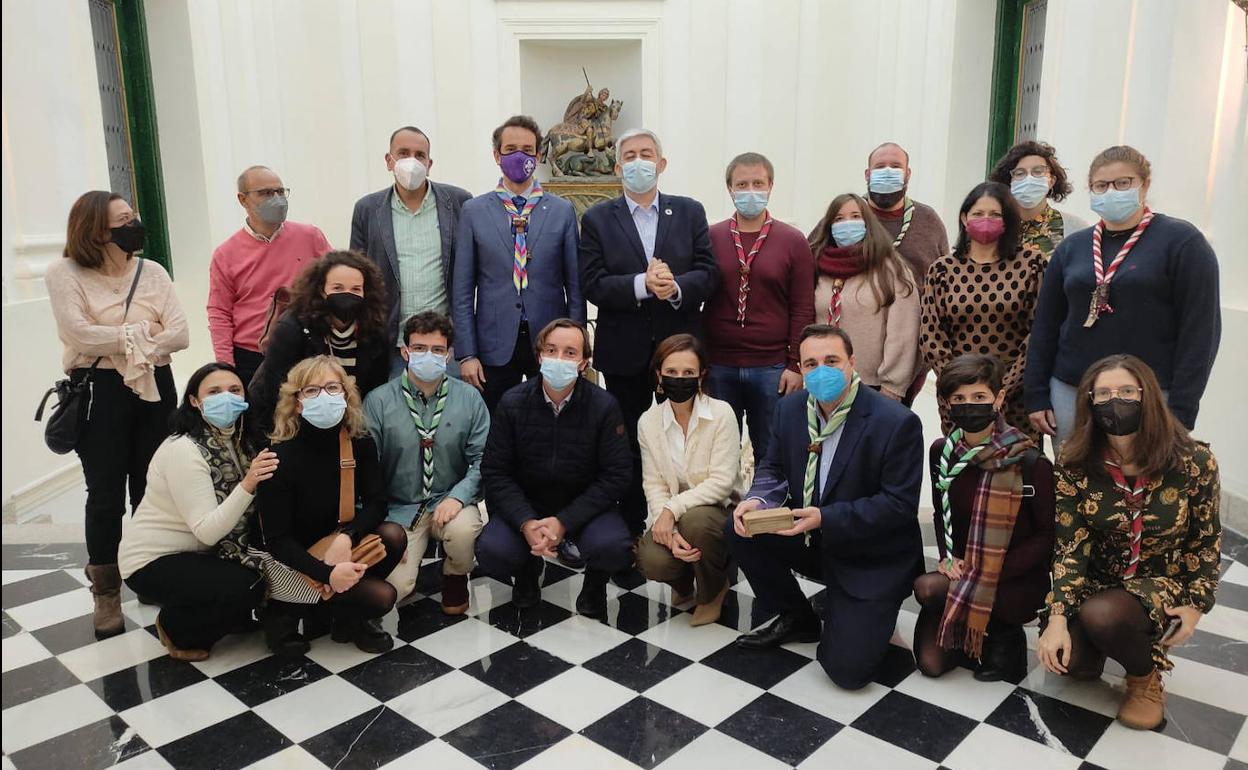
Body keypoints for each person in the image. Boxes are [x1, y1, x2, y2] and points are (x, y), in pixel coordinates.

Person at [727, 325, 924, 690]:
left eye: (831, 361)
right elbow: (773, 467)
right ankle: (798, 616)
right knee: (739, 528)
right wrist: (757, 500)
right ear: (800, 369)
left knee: (847, 673)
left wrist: (825, 517)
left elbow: (898, 506)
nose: (821, 372)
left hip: (871, 554)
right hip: (815, 539)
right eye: (811, 364)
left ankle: (864, 610)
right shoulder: (789, 410)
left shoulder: (896, 422)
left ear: (852, 362)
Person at [1036, 354, 1221, 730]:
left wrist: (1196, 604)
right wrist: (1057, 619)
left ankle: (1144, 678)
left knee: (1103, 616)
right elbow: (1070, 546)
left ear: (1147, 396)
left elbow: (1205, 541)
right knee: (1073, 666)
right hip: (1099, 580)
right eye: (1101, 394)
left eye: (1125, 391)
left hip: (1160, 579)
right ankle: (1115, 637)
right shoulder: (1074, 462)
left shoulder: (1193, 461)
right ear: (1088, 401)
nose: (1113, 401)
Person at [46, 191, 189, 638]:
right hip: (99, 390)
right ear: (97, 231)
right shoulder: (64, 273)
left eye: (135, 217)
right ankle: (106, 590)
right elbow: (79, 334)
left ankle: (148, 569)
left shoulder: (153, 272)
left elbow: (181, 334)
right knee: (105, 491)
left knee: (152, 484)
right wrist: (145, 333)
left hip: (155, 385)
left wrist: (123, 340)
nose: (135, 225)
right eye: (125, 220)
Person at [1025, 145, 1221, 449]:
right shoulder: (1072, 248)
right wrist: (1036, 393)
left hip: (1150, 394)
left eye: (1123, 183)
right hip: (1072, 389)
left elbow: (1200, 332)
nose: (1111, 192)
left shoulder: (1183, 243)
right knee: (1076, 485)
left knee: (1143, 485)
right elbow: (1046, 325)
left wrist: (1182, 409)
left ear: (1145, 185)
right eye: (1101, 186)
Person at [580, 127, 719, 537]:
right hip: (625, 355)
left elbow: (709, 273)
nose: (639, 161)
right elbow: (592, 282)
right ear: (618, 165)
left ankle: (690, 524)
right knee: (630, 445)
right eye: (630, 155)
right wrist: (642, 284)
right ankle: (630, 528)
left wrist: (674, 286)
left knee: (688, 440)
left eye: (647, 154)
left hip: (681, 354)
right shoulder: (597, 218)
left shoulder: (689, 211)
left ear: (661, 164)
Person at [119, 363, 277, 660]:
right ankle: (176, 628)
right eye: (214, 392)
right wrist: (249, 483)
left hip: (201, 552)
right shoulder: (184, 450)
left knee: (257, 575)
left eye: (234, 390)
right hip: (152, 561)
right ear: (194, 400)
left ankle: (222, 611)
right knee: (248, 585)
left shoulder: (241, 438)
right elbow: (207, 530)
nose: (226, 398)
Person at [477, 319, 633, 618]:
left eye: (570, 352)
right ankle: (526, 570)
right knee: (493, 551)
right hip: (528, 505)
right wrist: (525, 522)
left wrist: (564, 521)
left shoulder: (604, 406)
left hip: (584, 506)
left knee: (613, 547)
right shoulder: (512, 403)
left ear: (584, 362)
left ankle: (594, 584)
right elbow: (495, 471)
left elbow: (617, 476)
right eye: (551, 350)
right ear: (539, 357)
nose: (559, 359)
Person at [251, 356, 406, 657]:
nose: (324, 396)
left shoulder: (359, 444)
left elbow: (378, 502)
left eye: (332, 387)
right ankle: (282, 612)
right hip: (288, 561)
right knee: (382, 597)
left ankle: (344, 615)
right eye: (311, 390)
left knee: (393, 535)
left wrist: (348, 537)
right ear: (296, 403)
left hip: (334, 544)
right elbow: (277, 540)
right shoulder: (278, 457)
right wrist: (327, 574)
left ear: (347, 397)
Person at [911, 354, 1054, 682]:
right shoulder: (942, 453)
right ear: (947, 402)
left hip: (1014, 576)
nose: (968, 406)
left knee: (1002, 603)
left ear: (998, 398)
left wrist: (994, 568)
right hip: (966, 569)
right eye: (958, 399)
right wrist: (948, 558)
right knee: (931, 658)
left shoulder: (1029, 462)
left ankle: (1005, 635)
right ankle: (966, 626)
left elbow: (1047, 534)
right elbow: (940, 512)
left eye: (979, 397)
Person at [453, 115, 585, 414]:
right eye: (511, 149)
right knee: (500, 425)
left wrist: (577, 344)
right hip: (493, 343)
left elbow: (575, 285)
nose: (519, 156)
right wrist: (467, 353)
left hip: (551, 342)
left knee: (550, 421)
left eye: (527, 150)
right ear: (497, 155)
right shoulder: (474, 211)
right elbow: (462, 289)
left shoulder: (561, 210)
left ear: (538, 156)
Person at [364, 311, 488, 614]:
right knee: (397, 588)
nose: (427, 356)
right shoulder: (378, 401)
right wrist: (380, 526)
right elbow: (367, 469)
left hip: (449, 500)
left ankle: (455, 575)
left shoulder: (469, 398)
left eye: (437, 350)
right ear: (405, 352)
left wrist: (458, 497)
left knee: (463, 531)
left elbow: (483, 459)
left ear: (449, 356)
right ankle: (411, 566)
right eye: (419, 349)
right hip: (399, 507)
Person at [702, 152, 813, 466]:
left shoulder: (793, 241)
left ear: (770, 186)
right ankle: (726, 514)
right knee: (719, 453)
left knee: (771, 450)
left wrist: (795, 365)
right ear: (730, 189)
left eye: (757, 183)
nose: (750, 190)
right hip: (719, 364)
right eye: (742, 184)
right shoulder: (711, 237)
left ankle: (770, 512)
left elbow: (802, 307)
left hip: (772, 367)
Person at [921, 182, 1046, 443]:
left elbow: (1040, 332)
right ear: (965, 217)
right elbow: (931, 337)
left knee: (1016, 475)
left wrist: (1002, 389)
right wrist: (960, 388)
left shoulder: (1031, 264)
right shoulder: (943, 269)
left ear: (1008, 219)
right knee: (963, 472)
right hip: (960, 399)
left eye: (995, 214)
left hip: (1015, 396)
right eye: (978, 214)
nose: (985, 220)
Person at [636, 334, 743, 626]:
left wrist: (672, 511)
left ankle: (713, 591)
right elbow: (654, 483)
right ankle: (683, 583)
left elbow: (722, 482)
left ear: (701, 376)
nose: (679, 379)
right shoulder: (648, 422)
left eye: (688, 373)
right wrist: (663, 521)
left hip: (718, 510)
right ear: (659, 374)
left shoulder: (721, 414)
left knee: (697, 523)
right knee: (650, 560)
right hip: (676, 514)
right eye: (671, 372)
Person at [350, 126, 471, 374]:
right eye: (403, 153)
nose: (412, 161)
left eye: (419, 155)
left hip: (446, 344)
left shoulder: (459, 202)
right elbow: (357, 274)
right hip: (392, 343)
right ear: (389, 160)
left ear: (429, 163)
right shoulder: (367, 209)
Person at [208, 165, 331, 386]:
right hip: (252, 357)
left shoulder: (310, 237)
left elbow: (336, 284)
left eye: (280, 191)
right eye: (265, 193)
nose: (276, 199)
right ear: (243, 200)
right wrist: (226, 368)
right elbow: (219, 313)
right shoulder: (226, 254)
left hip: (306, 350)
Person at [248, 251, 391, 435]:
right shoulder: (292, 327)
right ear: (321, 290)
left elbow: (374, 389)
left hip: (349, 423)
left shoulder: (375, 331)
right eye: (337, 288)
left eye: (356, 289)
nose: (347, 294)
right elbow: (276, 389)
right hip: (294, 422)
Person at [860, 142, 949, 406]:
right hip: (853, 348)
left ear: (908, 174)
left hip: (908, 350)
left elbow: (943, 282)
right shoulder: (848, 216)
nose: (887, 172)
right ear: (867, 174)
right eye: (880, 166)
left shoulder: (928, 220)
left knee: (892, 427)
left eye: (895, 166)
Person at [808, 192, 919, 402]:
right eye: (839, 219)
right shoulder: (815, 265)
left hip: (872, 386)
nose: (847, 224)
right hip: (821, 383)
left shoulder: (891, 268)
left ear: (868, 223)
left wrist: (892, 385)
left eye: (855, 216)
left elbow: (904, 331)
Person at [988, 140, 1089, 262]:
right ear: (1009, 182)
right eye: (1020, 173)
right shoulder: (996, 227)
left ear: (1052, 181)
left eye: (1038, 172)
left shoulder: (1074, 228)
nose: (1029, 179)